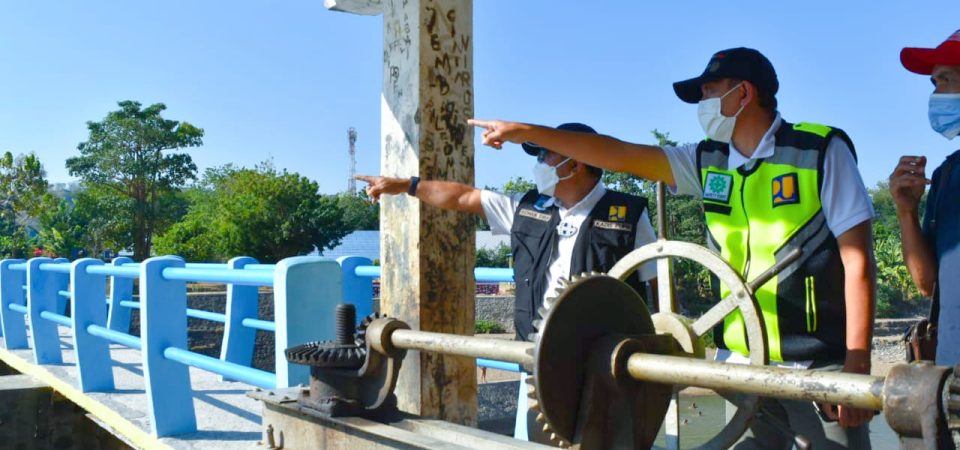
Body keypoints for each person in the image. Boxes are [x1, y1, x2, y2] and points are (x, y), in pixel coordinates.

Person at [470, 47, 877, 449]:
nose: (702, 103)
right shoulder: (707, 161)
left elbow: (857, 261)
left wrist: (856, 364)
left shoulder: (818, 151)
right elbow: (621, 154)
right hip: (743, 363)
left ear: (744, 93)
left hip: (816, 364)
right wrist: (530, 133)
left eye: (708, 91)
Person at [355, 122, 659, 442]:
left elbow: (655, 285)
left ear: (576, 162)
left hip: (606, 363)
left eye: (546, 155)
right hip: (541, 360)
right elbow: (463, 197)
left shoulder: (628, 215)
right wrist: (406, 185)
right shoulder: (526, 207)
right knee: (543, 444)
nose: (539, 164)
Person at [891, 31, 960, 367]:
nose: (935, 94)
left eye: (945, 80)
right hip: (953, 374)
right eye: (934, 83)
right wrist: (907, 211)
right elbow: (928, 284)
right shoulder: (947, 175)